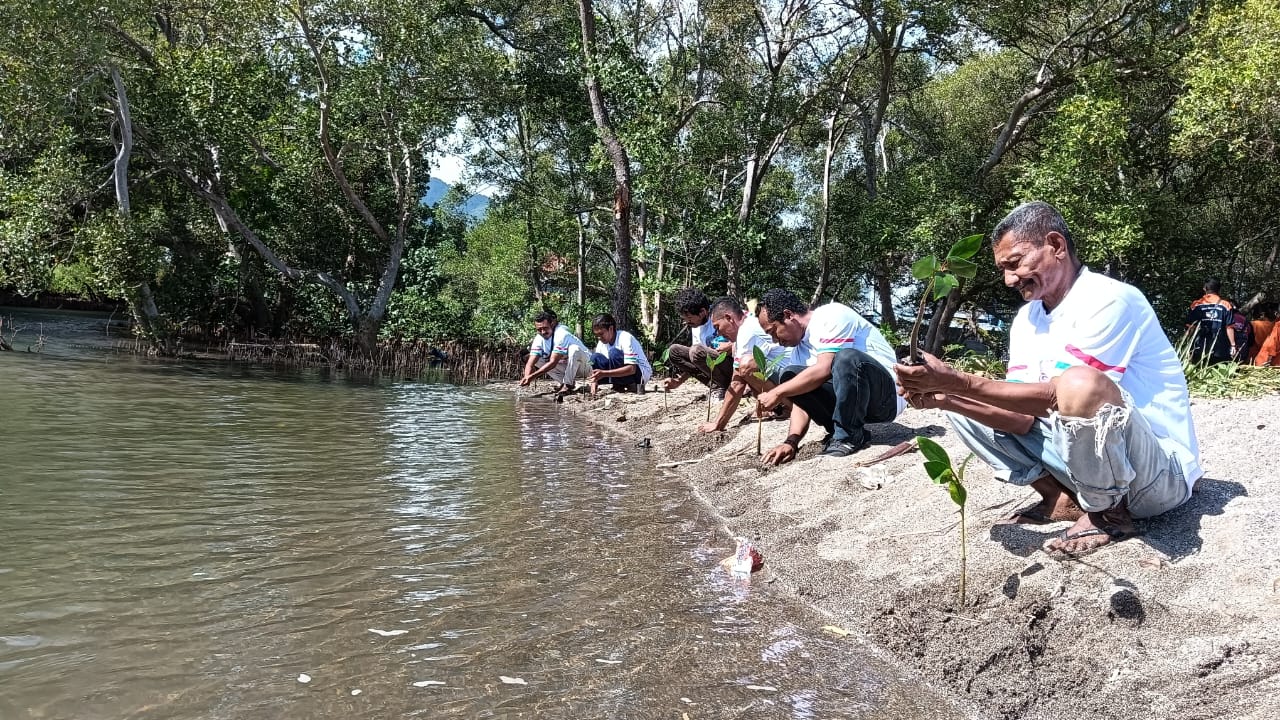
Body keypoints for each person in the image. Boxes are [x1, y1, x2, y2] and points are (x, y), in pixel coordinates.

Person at [896, 201, 1202, 558]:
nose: (1009, 280)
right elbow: (1024, 417)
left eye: (1015, 264)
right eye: (1003, 270)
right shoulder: (1027, 319)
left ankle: (1107, 513)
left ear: (1056, 246)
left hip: (1158, 478)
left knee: (1077, 385)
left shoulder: (1110, 300)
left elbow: (1061, 397)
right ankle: (1062, 497)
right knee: (966, 409)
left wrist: (957, 382)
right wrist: (945, 396)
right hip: (1093, 468)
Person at [753, 289, 903, 462]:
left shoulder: (831, 315)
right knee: (790, 375)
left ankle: (848, 436)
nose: (774, 340)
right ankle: (840, 430)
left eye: (773, 331)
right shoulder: (798, 352)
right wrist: (791, 442)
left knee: (846, 357)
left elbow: (824, 368)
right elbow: (801, 403)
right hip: (860, 406)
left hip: (887, 399)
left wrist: (777, 392)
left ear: (788, 315)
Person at [696, 296, 788, 433]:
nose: (718, 333)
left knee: (746, 366)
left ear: (729, 318)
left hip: (790, 377)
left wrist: (718, 423)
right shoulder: (749, 321)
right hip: (787, 374)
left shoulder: (746, 330)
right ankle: (780, 407)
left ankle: (788, 406)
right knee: (748, 371)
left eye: (718, 326)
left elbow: (737, 384)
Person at [663, 288, 732, 400]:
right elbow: (696, 359)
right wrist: (678, 381)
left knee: (696, 351)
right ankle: (718, 386)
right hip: (714, 365)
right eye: (685, 318)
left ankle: (729, 386)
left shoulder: (721, 315)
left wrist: (732, 345)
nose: (687, 322)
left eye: (689, 318)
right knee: (674, 351)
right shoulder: (696, 327)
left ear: (703, 312)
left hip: (732, 364)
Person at [519, 310, 593, 397]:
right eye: (539, 329)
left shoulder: (561, 334)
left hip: (588, 365)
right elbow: (530, 363)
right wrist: (526, 377)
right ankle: (565, 382)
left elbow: (553, 362)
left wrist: (532, 377)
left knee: (574, 349)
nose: (543, 332)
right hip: (569, 367)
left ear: (552, 324)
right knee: (538, 359)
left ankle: (567, 385)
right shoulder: (538, 339)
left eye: (545, 328)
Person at [588, 313, 653, 394]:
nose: (599, 338)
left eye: (601, 334)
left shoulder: (625, 338)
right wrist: (594, 381)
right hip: (616, 374)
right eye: (597, 335)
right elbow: (592, 362)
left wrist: (604, 373)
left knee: (613, 353)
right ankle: (618, 385)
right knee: (593, 358)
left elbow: (632, 369)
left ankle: (631, 384)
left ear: (611, 329)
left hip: (639, 374)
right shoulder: (601, 343)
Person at [1186, 279, 1236, 365]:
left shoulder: (1196, 305)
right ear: (1219, 290)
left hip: (1200, 348)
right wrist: (1233, 345)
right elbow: (1229, 327)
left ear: (1204, 289)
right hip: (1220, 349)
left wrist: (1186, 344)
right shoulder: (1226, 305)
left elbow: (1191, 327)